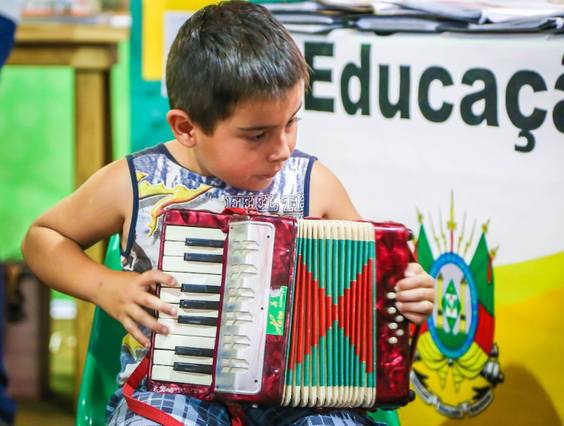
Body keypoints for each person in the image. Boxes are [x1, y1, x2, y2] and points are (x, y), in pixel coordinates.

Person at [21, 2, 435, 425]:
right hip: (172, 391)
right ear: (186, 127)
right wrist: (105, 285)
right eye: (256, 135)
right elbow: (43, 237)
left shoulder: (315, 184)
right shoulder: (133, 182)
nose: (282, 149)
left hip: (302, 396)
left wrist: (404, 294)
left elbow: (371, 284)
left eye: (291, 123)